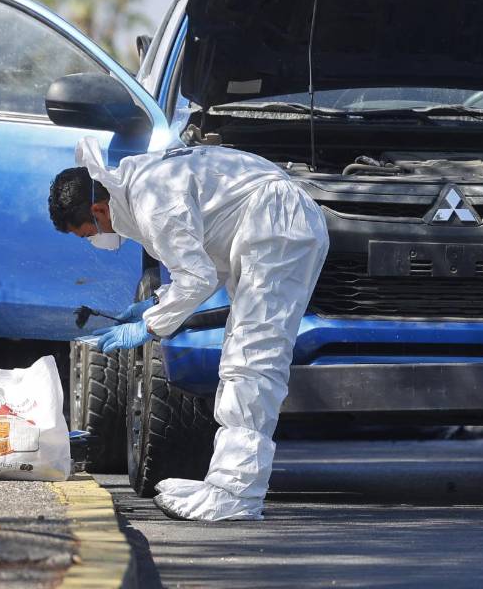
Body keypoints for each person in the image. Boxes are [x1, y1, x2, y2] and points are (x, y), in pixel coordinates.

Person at [48, 137, 329, 521]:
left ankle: (236, 492)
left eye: (88, 233)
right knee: (241, 355)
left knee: (252, 358)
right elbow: (205, 264)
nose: (95, 239)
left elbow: (195, 278)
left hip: (276, 226)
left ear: (98, 209)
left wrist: (150, 325)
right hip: (269, 223)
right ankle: (226, 482)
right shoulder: (144, 182)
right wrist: (157, 302)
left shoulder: (152, 202)